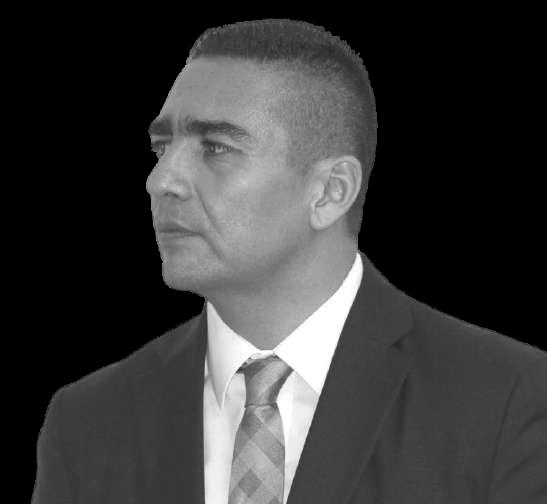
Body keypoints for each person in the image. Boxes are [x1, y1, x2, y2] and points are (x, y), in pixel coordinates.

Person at [32, 19, 546, 504]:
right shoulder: (88, 422)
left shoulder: (508, 400)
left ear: (330, 192)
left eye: (216, 147)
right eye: (162, 147)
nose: (161, 181)